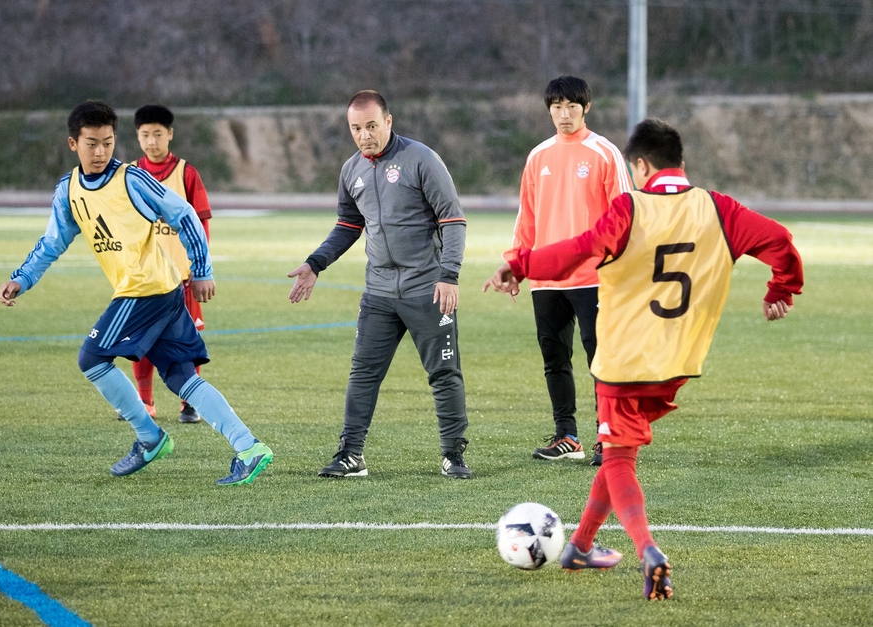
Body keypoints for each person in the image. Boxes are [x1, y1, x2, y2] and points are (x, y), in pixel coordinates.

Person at [484, 118, 803, 599]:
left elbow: (581, 249)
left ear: (640, 166)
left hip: (624, 359)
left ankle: (648, 551)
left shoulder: (629, 207)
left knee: (616, 458)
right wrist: (781, 289)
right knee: (622, 449)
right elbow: (779, 240)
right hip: (677, 362)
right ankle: (579, 547)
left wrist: (521, 264)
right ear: (681, 162)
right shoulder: (720, 209)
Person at [0, 101, 273, 485]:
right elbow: (51, 243)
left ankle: (149, 437)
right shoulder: (69, 190)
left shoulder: (132, 179)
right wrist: (22, 278)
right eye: (91, 144)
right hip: (160, 291)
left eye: (108, 142)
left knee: (91, 358)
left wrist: (202, 271)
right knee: (180, 375)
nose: (100, 152)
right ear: (73, 144)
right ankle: (248, 447)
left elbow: (185, 215)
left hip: (146, 290)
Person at [288, 90, 471, 479]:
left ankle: (453, 455)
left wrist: (449, 275)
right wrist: (315, 263)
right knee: (363, 372)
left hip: (427, 290)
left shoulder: (421, 159)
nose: (364, 135)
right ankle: (351, 454)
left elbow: (453, 219)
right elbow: (347, 225)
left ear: (388, 121)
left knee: (444, 373)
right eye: (356, 128)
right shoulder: (351, 170)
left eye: (371, 126)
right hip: (379, 293)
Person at [485, 76, 631, 467]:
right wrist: (516, 265)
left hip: (594, 276)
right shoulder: (538, 157)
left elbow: (625, 216)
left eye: (571, 107)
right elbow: (527, 218)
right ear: (549, 110)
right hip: (546, 278)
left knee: (601, 359)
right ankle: (567, 435)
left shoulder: (604, 152)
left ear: (586, 108)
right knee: (554, 358)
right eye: (556, 107)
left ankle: (609, 437)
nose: (564, 115)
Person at [128, 104, 213, 424]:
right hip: (142, 278)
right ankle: (144, 402)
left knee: (187, 340)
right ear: (137, 136)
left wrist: (199, 267)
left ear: (170, 134)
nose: (151, 142)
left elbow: (201, 223)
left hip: (182, 278)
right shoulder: (128, 175)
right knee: (140, 340)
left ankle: (189, 403)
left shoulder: (186, 173)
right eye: (145, 135)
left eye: (158, 134)